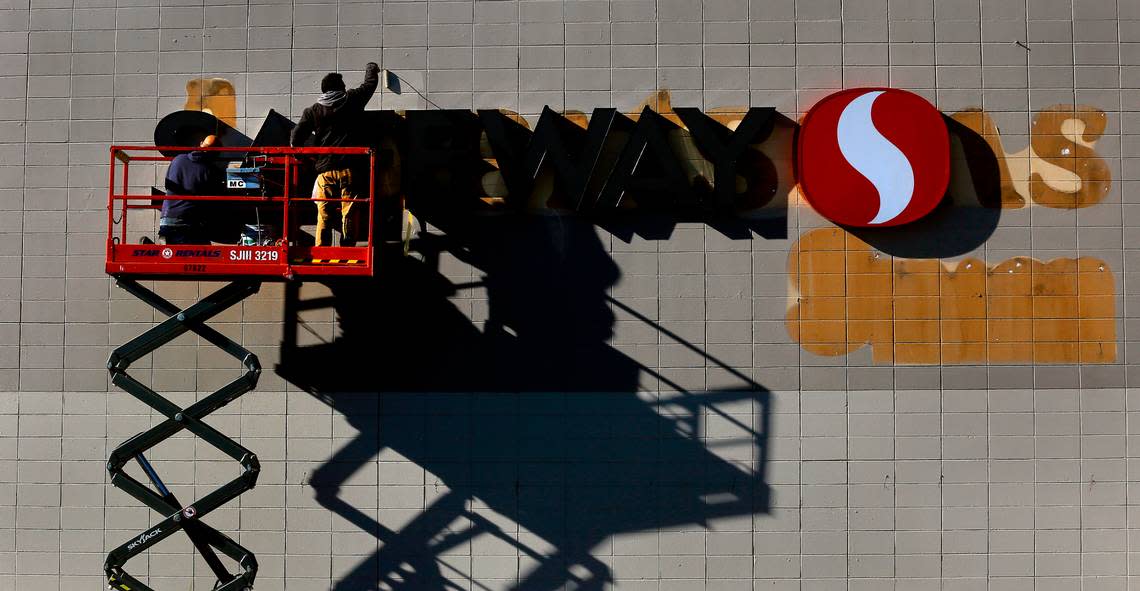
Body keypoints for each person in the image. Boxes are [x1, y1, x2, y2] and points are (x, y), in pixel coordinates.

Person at [290, 62, 380, 246]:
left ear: (324, 90)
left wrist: (305, 158)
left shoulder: (313, 111)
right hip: (350, 170)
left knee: (324, 213)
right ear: (340, 88)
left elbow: (295, 139)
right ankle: (347, 248)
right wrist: (372, 68)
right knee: (349, 212)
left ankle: (322, 250)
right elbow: (369, 85)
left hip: (325, 171)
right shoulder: (352, 100)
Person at [161, 134, 224, 244]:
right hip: (187, 223)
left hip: (166, 218)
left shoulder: (178, 159)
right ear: (216, 153)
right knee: (205, 254)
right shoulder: (210, 171)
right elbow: (215, 198)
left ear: (200, 144)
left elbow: (168, 185)